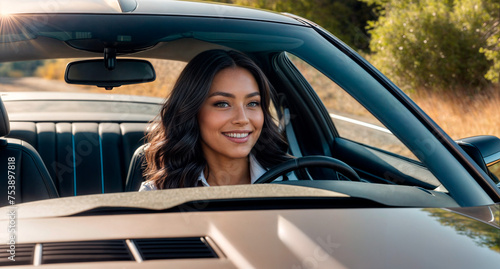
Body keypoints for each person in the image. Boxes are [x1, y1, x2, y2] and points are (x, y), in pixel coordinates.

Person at [140, 49, 291, 190]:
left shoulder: (295, 177)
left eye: (253, 103)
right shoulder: (158, 192)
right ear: (192, 111)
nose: (242, 119)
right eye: (222, 104)